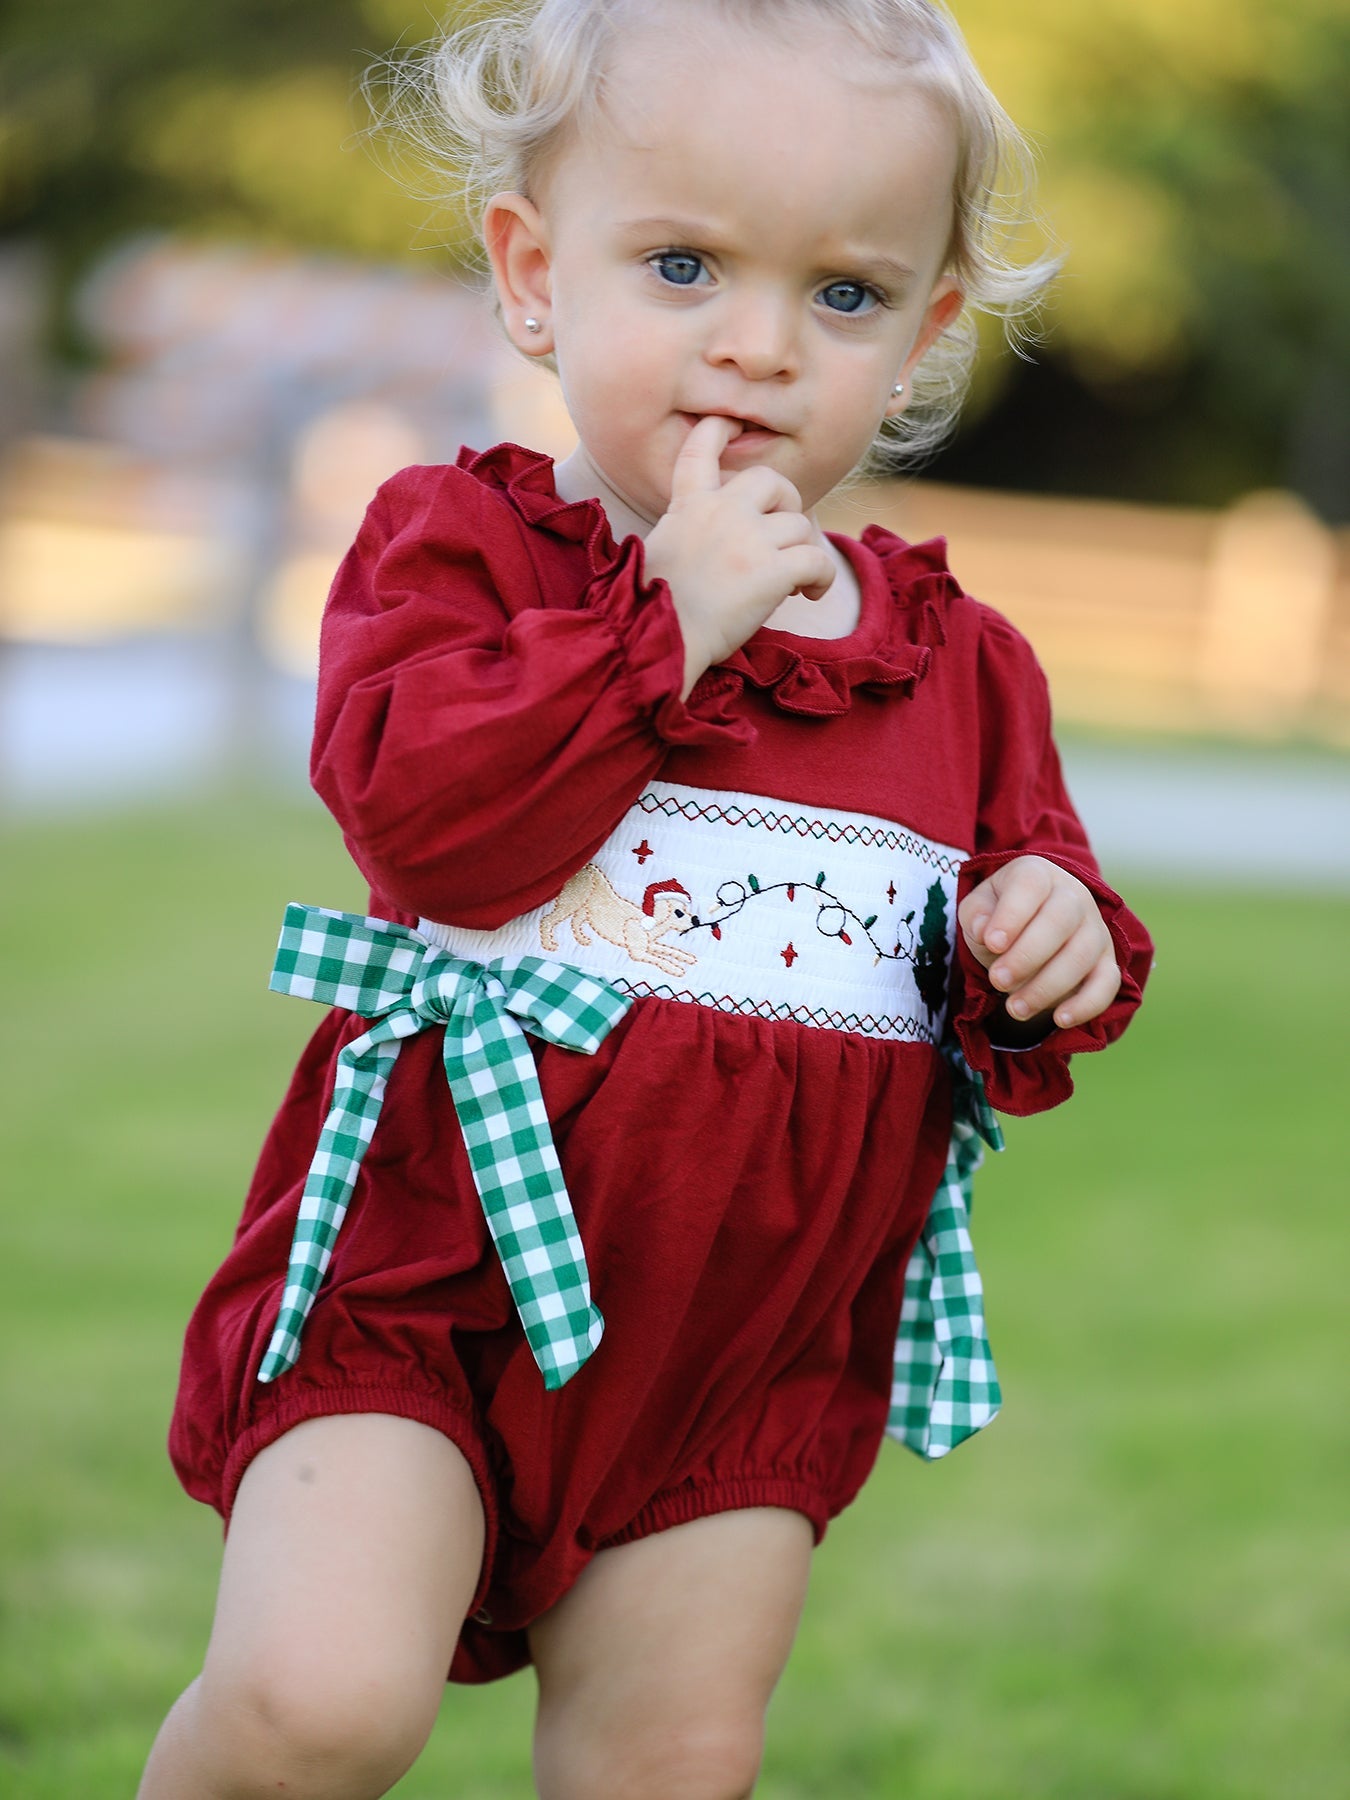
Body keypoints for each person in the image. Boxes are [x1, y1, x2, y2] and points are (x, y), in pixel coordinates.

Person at [140, 2, 1153, 1795]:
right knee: (319, 1708)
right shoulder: (467, 552)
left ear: (922, 335)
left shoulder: (958, 663)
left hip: (749, 1338)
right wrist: (663, 624)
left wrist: (1046, 943)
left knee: (666, 1764)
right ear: (534, 276)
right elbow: (425, 825)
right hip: (437, 1274)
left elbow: (1026, 919)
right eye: (682, 265)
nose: (757, 348)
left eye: (842, 296)